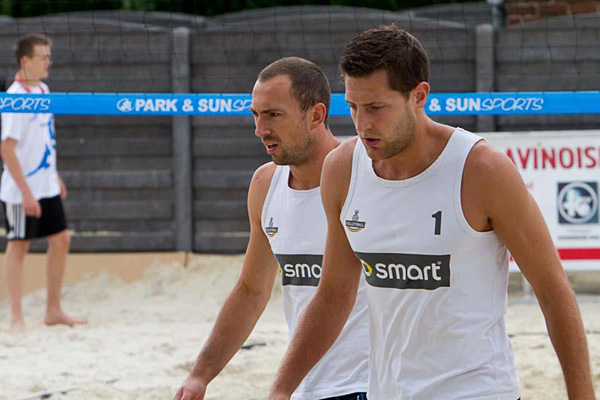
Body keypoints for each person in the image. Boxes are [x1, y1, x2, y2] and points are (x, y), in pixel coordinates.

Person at [268, 25, 596, 400]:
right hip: (384, 392)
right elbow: (333, 294)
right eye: (354, 107)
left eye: (376, 108)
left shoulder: (481, 170)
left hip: (476, 392)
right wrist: (281, 390)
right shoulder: (342, 169)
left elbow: (553, 290)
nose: (362, 124)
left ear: (418, 95)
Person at [173, 57, 369, 400]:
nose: (259, 129)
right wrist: (200, 376)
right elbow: (251, 290)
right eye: (255, 114)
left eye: (273, 115)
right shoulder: (266, 183)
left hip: (373, 384)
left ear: (316, 115)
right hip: (304, 386)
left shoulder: (368, 172)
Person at [1, 33, 86, 334]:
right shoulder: (15, 97)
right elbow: (7, 150)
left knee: (61, 240)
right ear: (26, 61)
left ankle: (52, 310)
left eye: (49, 56)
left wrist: (55, 177)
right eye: (43, 57)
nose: (49, 62)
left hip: (46, 185)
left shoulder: (44, 90)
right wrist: (26, 194)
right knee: (18, 247)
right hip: (19, 190)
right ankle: (16, 318)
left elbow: (43, 141)